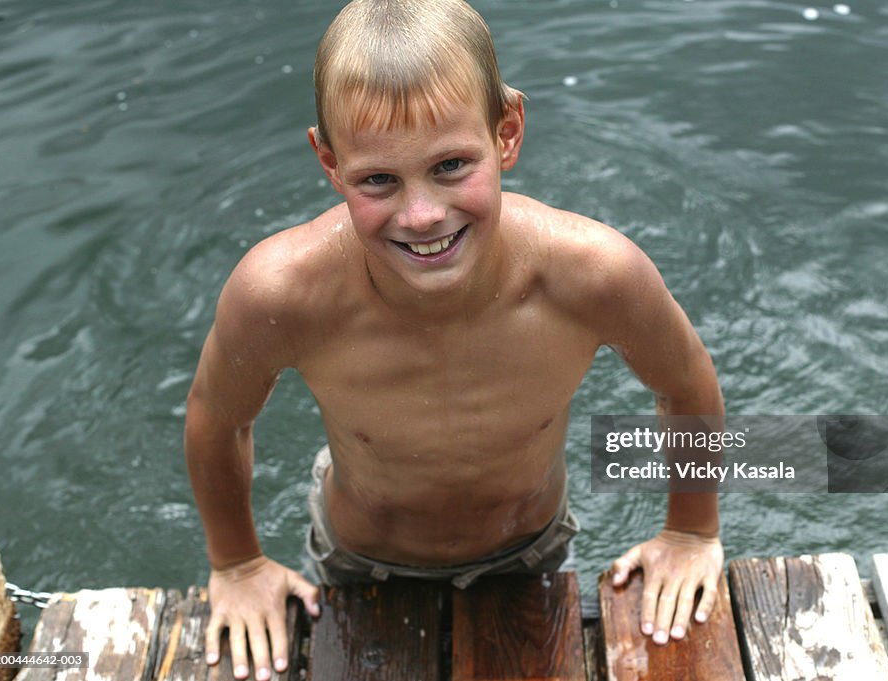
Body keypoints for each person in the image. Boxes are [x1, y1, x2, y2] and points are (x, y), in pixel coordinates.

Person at [184, 1, 724, 679]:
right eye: (378, 179)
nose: (421, 214)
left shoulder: (593, 275)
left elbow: (686, 381)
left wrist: (691, 529)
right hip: (358, 557)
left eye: (450, 166)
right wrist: (235, 561)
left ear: (507, 131)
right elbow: (216, 414)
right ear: (328, 160)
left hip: (530, 548)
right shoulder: (283, 294)